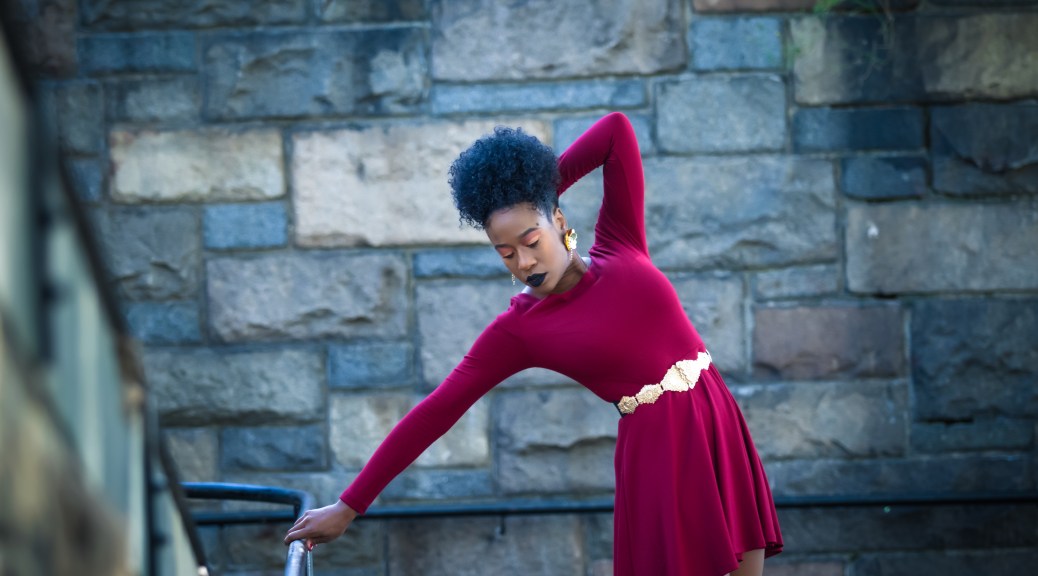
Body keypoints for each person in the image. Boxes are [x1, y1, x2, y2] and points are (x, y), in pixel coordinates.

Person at [284, 112, 783, 575]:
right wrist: (349, 506)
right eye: (505, 252)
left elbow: (616, 131)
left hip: (719, 426)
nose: (523, 262)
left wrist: (537, 193)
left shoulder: (620, 239)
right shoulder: (521, 328)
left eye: (530, 240)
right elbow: (437, 411)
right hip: (662, 457)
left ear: (559, 222)